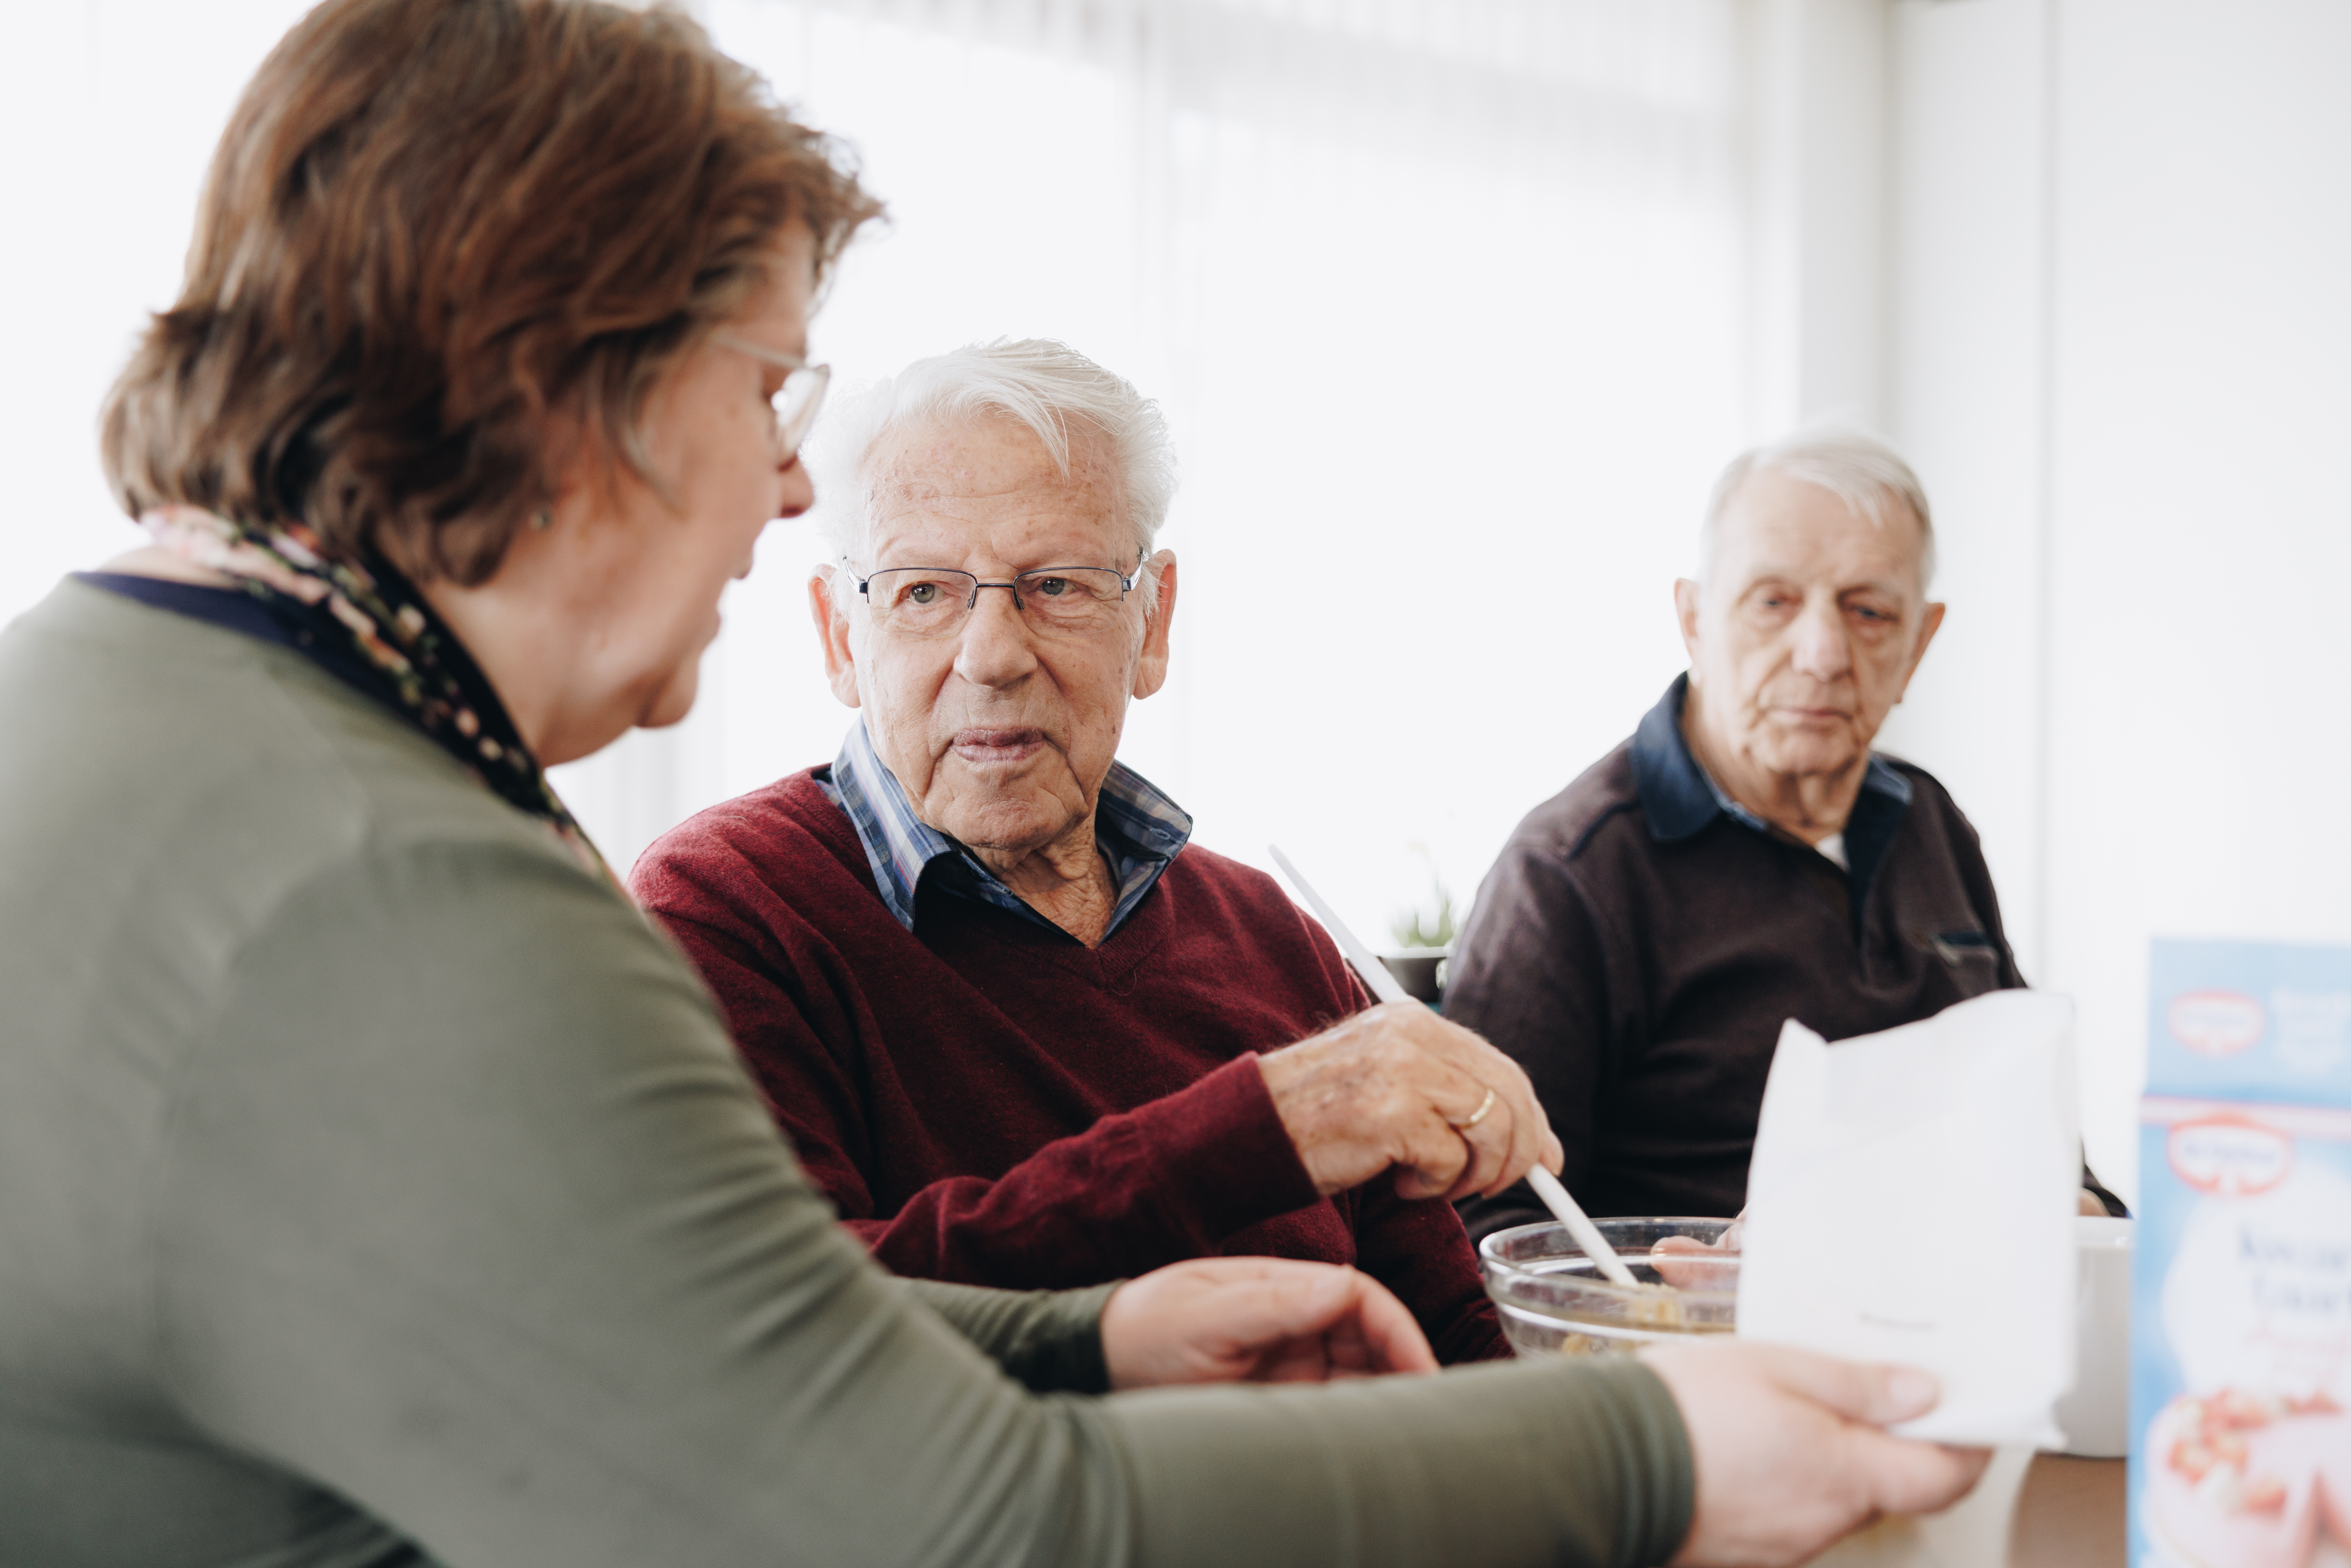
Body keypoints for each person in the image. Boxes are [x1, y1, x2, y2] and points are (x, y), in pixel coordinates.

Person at [0, 2, 1989, 1562]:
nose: (788, 476)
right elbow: (954, 1524)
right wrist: (1647, 1448)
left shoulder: (186, 717)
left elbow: (718, 1344)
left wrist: (1093, 1332)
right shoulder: (394, 883)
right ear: (561, 374)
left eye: (1053, 583)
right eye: (770, 382)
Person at [630, 342, 1529, 1365]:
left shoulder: (1274, 933)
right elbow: (786, 1325)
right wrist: (1261, 1129)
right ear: (843, 636)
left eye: (1056, 584)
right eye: (925, 591)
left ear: (1153, 621)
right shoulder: (725, 909)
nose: (993, 653)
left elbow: (1461, 1339)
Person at [1446, 430, 2125, 1241]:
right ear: (1695, 621)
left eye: (1869, 610)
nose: (1823, 653)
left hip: (1956, 1337)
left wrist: (2087, 1216)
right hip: (1701, 1346)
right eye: (1773, 601)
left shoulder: (1931, 824)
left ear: (1919, 643)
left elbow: (2041, 1140)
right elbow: (1481, 1238)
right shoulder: (1569, 875)